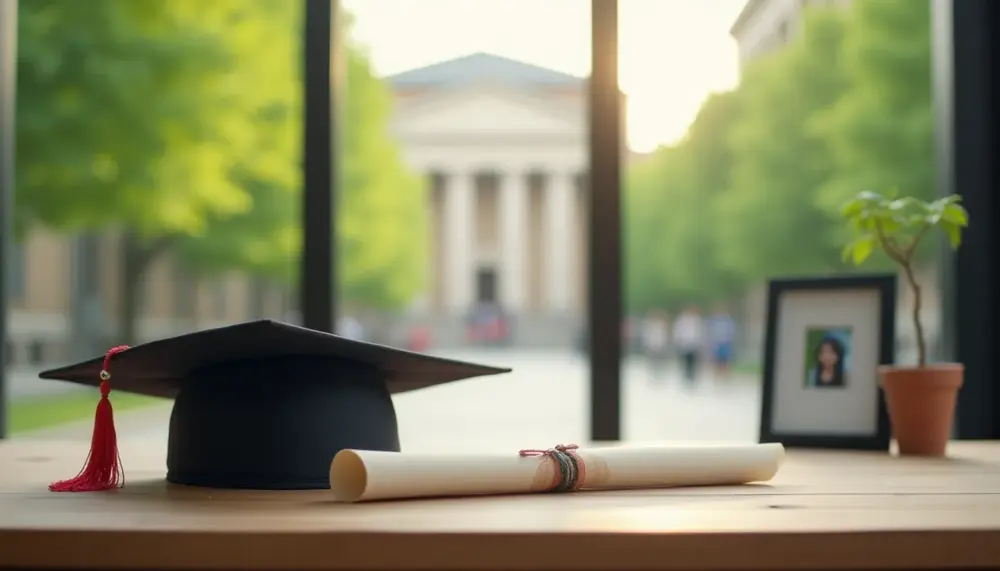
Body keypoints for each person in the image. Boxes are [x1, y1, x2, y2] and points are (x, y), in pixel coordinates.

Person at [673, 306, 704, 384]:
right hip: (684, 344)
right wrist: (678, 341)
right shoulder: (681, 320)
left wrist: (700, 343)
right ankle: (686, 376)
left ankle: (692, 377)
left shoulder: (697, 320)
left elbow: (700, 332)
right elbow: (678, 331)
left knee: (693, 362)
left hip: (694, 344)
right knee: (685, 361)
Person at [706, 305, 736, 379]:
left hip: (726, 343)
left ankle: (726, 375)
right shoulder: (713, 321)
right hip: (717, 343)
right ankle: (717, 374)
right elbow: (710, 332)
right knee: (717, 360)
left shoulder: (728, 321)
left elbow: (732, 332)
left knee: (726, 360)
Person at [640, 310, 670, 380]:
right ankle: (652, 374)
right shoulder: (648, 324)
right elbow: (645, 335)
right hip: (651, 345)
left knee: (660, 361)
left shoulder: (662, 324)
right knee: (651, 361)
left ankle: (659, 373)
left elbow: (664, 335)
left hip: (660, 345)